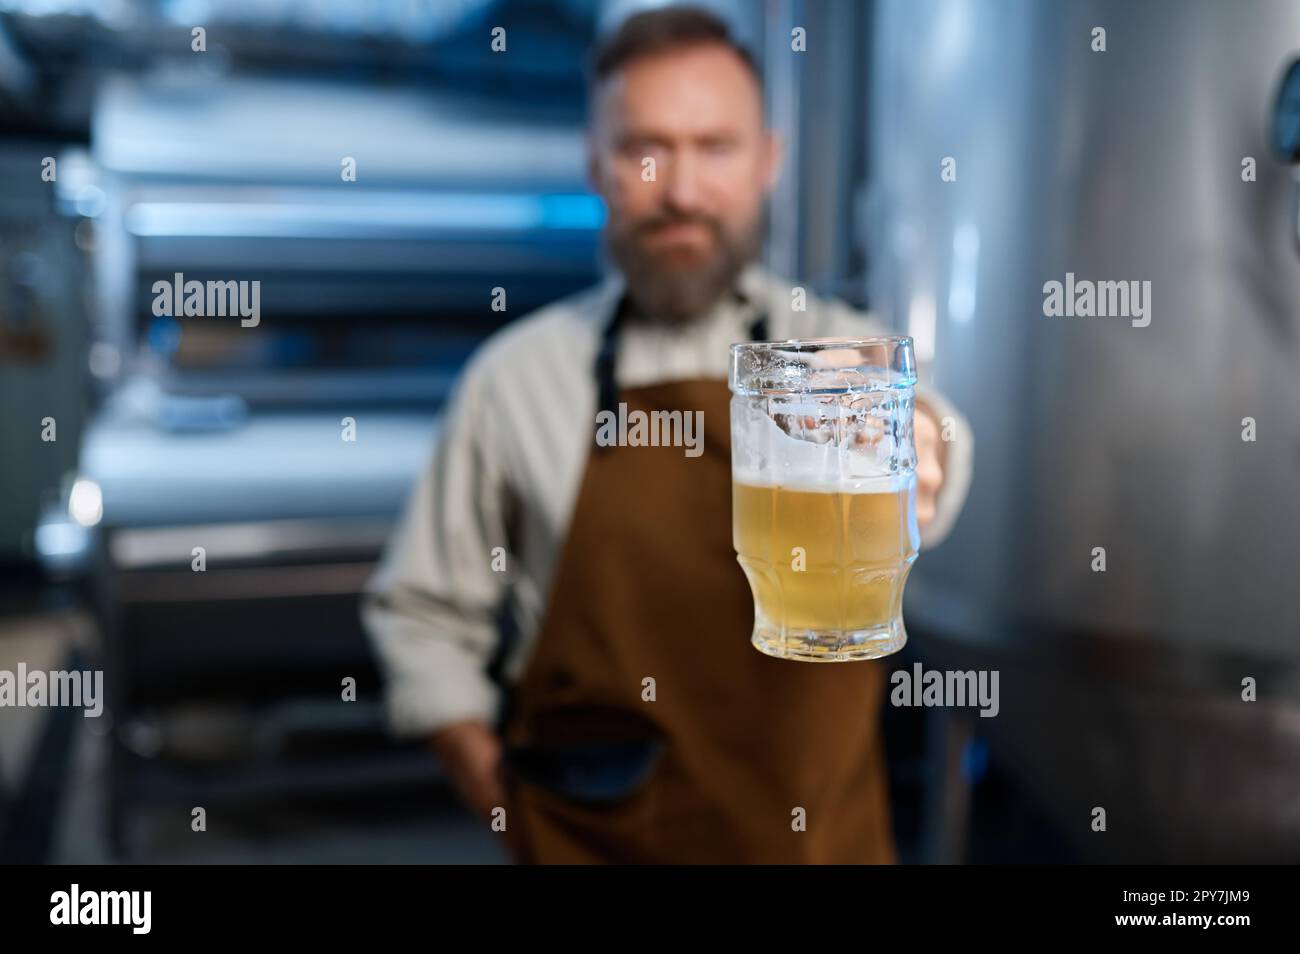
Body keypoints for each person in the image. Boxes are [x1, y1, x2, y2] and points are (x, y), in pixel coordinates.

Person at [362, 5, 974, 863]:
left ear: (768, 161)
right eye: (645, 149)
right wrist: (500, 798)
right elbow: (422, 614)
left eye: (715, 148)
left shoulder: (832, 344)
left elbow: (933, 437)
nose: (681, 190)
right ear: (596, 164)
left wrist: (928, 446)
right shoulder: (517, 379)